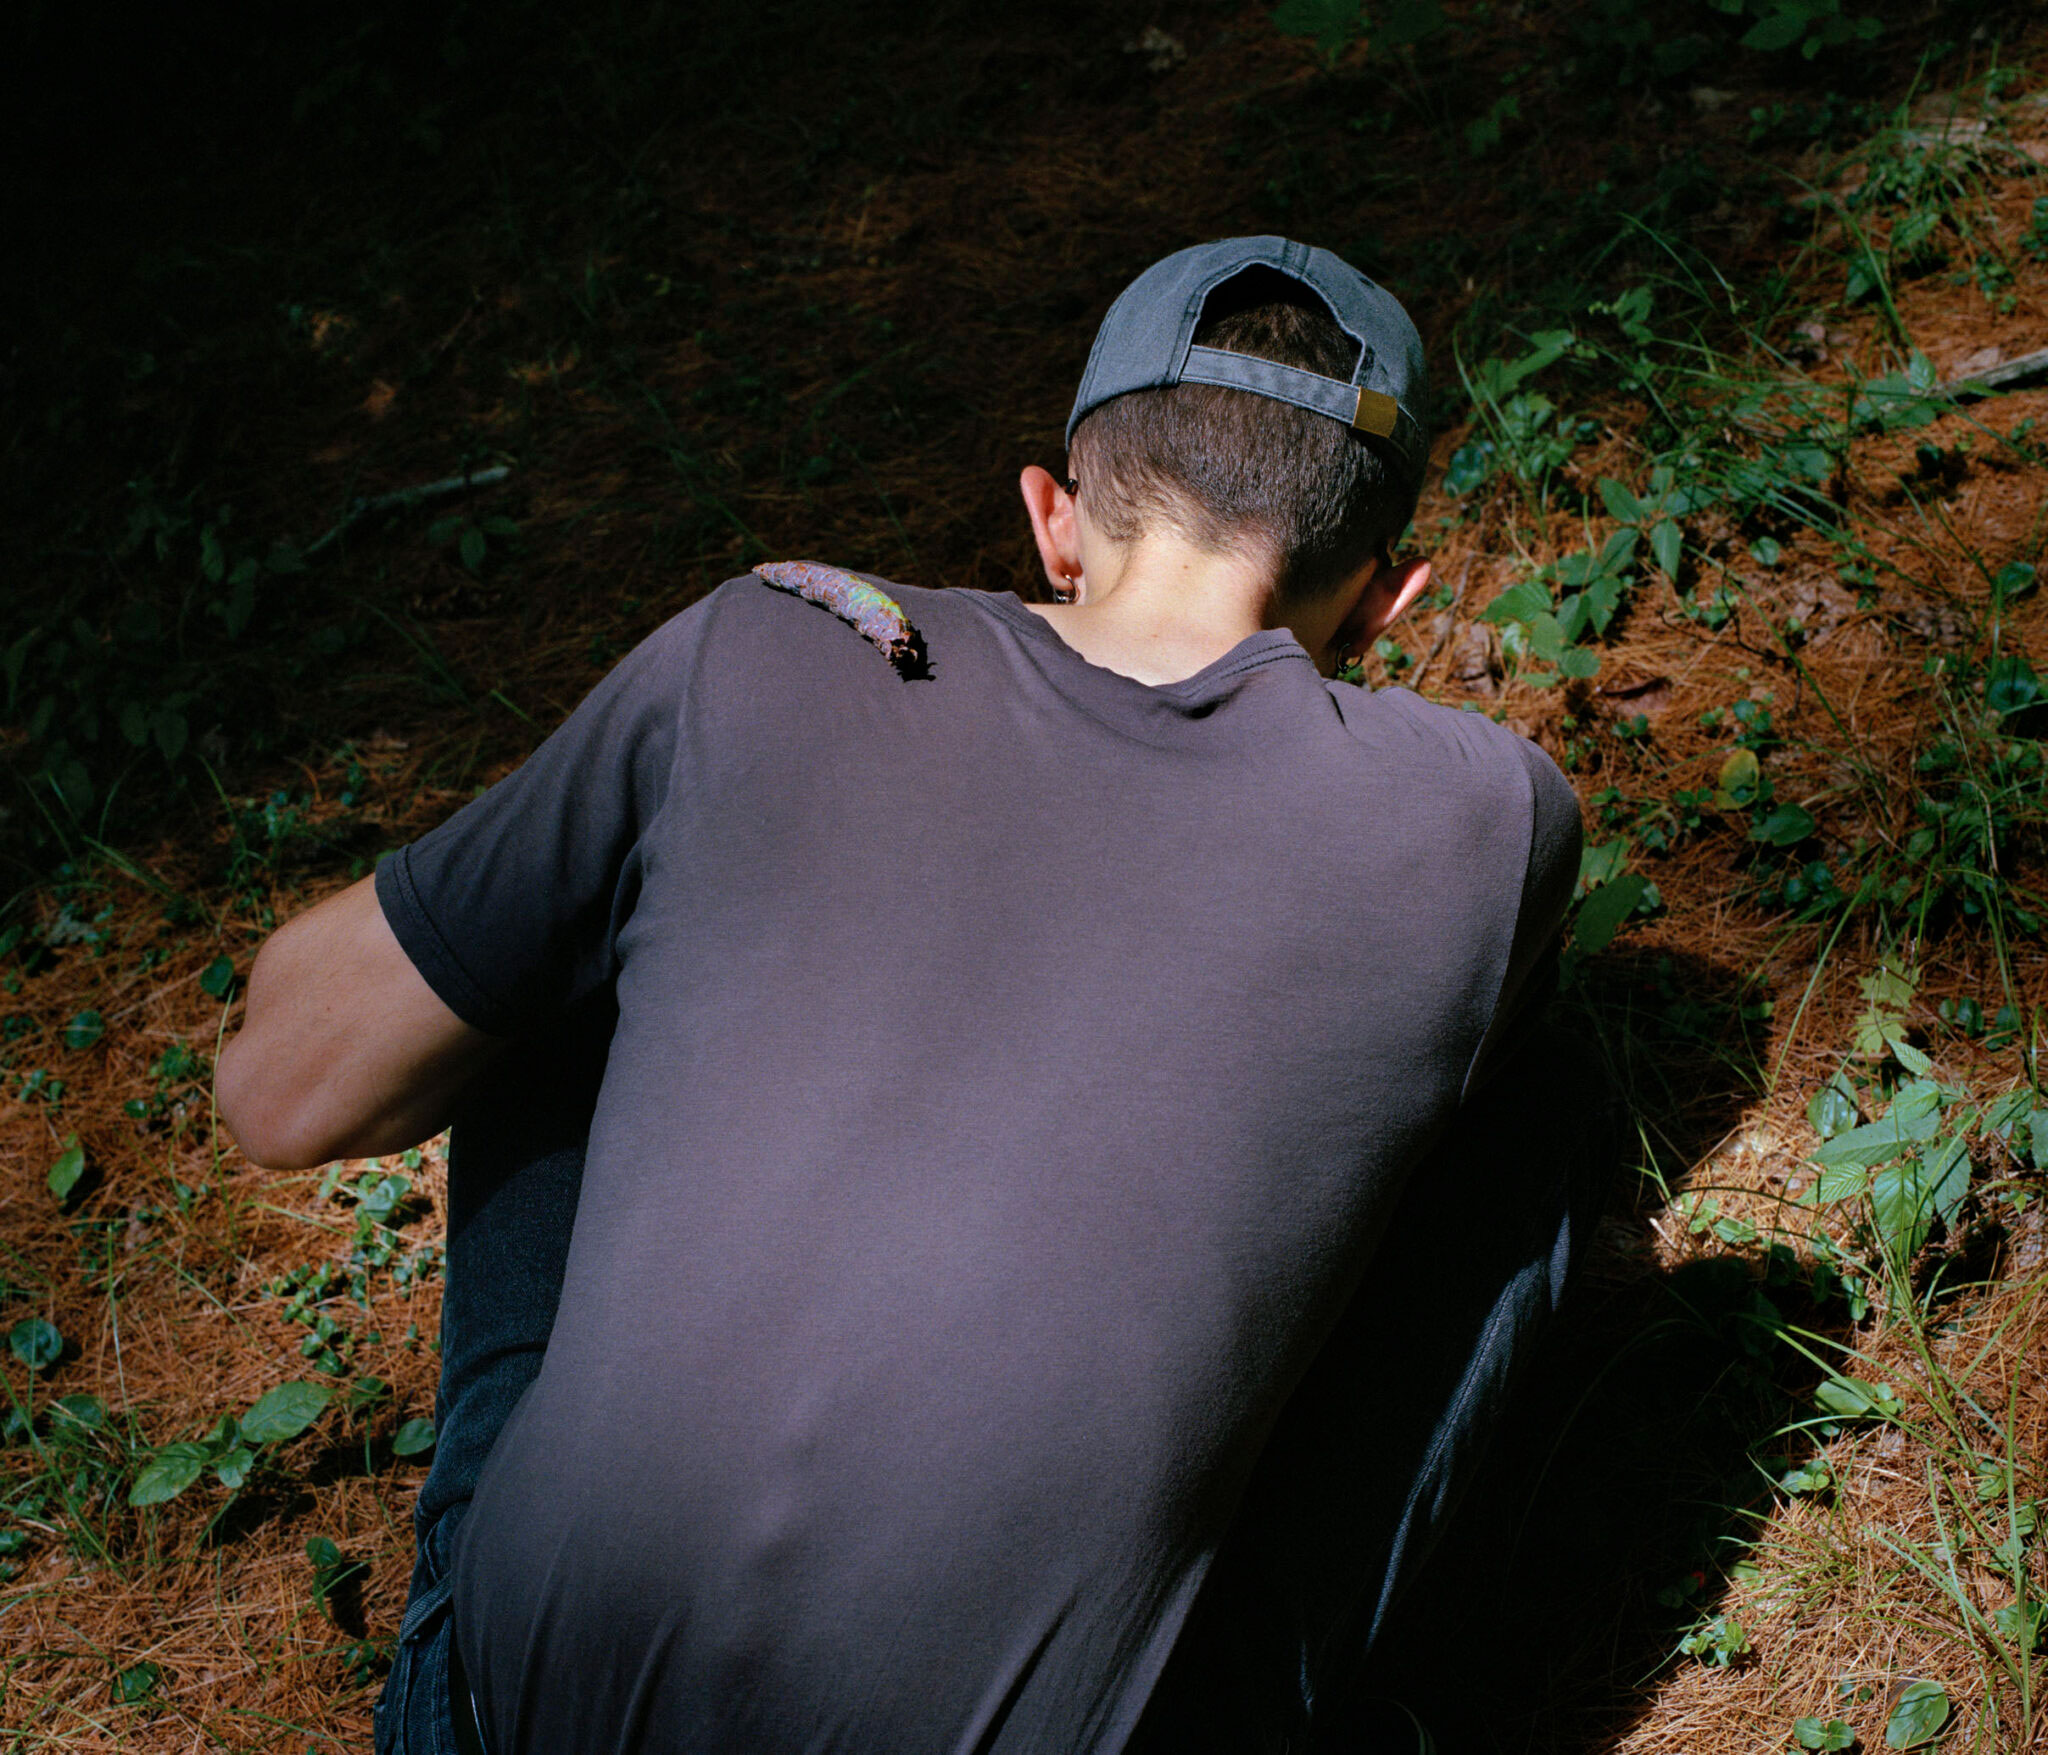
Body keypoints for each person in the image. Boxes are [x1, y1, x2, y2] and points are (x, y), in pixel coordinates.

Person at [217, 236, 1609, 1755]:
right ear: (1389, 598)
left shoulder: (772, 641)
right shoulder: (1484, 819)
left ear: (1052, 515)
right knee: (1520, 1118)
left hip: (518, 1723)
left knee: (558, 953)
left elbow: (278, 1094)